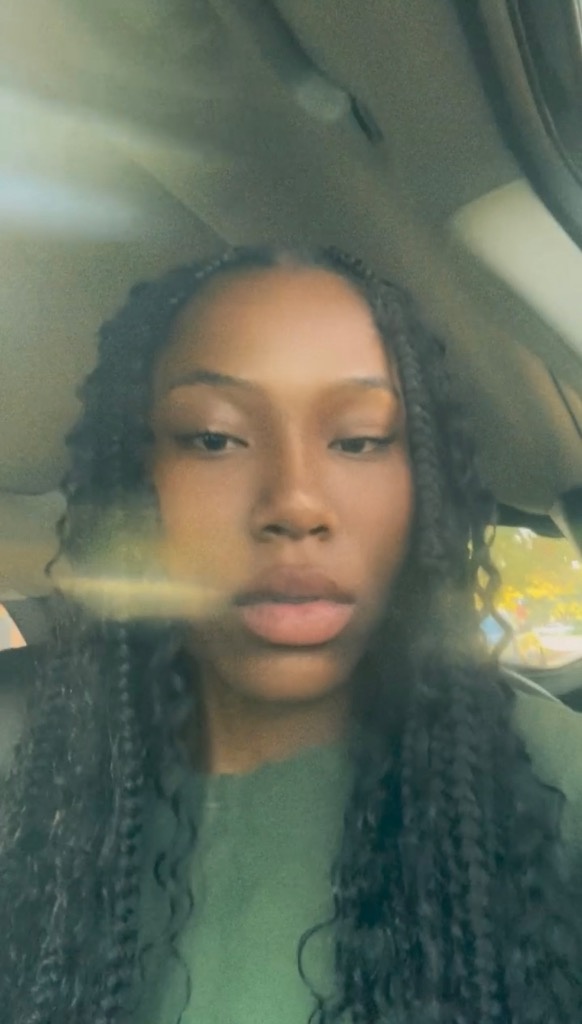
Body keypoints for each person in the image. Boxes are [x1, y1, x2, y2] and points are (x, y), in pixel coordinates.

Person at [1, 245, 581, 1024]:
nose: (296, 502)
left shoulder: (554, 779)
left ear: (424, 485)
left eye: (360, 438)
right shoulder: (34, 783)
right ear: (138, 484)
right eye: (214, 438)